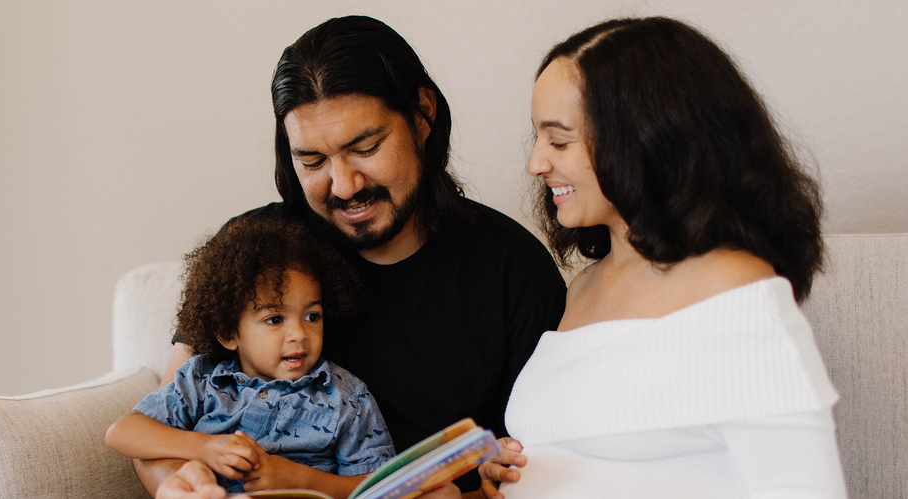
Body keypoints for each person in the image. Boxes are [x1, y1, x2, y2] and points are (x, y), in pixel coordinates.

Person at [138, 15, 567, 499]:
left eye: (365, 148)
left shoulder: (512, 270)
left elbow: (533, 462)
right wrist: (175, 488)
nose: (344, 186)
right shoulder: (257, 251)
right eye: (313, 162)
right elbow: (158, 431)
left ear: (422, 115)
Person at [498, 17, 846, 498]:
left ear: (645, 139)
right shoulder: (582, 287)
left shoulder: (734, 290)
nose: (536, 162)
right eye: (537, 138)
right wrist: (522, 473)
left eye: (559, 140)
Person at [106, 215, 396, 497]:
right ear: (228, 333)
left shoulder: (347, 397)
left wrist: (302, 480)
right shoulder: (203, 380)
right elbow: (122, 432)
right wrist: (204, 448)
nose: (299, 333)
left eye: (311, 316)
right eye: (274, 319)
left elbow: (383, 486)